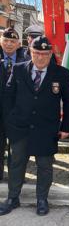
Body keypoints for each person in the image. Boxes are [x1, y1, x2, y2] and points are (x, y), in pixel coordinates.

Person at [0, 36, 69, 216]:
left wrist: (65, 127)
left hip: (46, 128)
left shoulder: (62, 73)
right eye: (36, 53)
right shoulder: (18, 69)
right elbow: (8, 96)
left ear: (50, 54)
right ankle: (12, 198)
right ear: (30, 52)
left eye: (45, 53)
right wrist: (10, 121)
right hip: (20, 127)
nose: (40, 57)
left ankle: (42, 199)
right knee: (16, 163)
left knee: (44, 165)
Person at [0, 28, 28, 180]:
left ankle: (16, 175)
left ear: (18, 44)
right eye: (6, 40)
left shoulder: (26, 59)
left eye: (13, 41)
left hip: (18, 111)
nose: (9, 44)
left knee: (18, 147)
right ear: (1, 41)